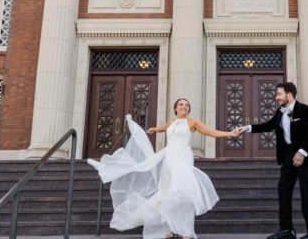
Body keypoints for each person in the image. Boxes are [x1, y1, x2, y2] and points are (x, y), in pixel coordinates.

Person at [87, 98, 243, 239]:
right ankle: (172, 228)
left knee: (183, 192)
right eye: (181, 105)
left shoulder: (192, 122)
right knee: (167, 192)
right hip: (169, 156)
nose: (184, 107)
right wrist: (155, 129)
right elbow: (164, 128)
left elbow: (210, 132)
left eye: (187, 105)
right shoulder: (171, 122)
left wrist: (229, 133)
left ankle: (186, 230)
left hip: (183, 156)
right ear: (175, 109)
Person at [240, 82, 308, 239]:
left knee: (306, 194)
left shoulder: (304, 109)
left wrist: (301, 153)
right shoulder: (281, 112)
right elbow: (268, 125)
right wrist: (247, 128)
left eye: (279, 94)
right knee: (283, 191)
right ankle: (287, 231)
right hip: (287, 156)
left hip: (305, 155)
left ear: (289, 94)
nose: (276, 97)